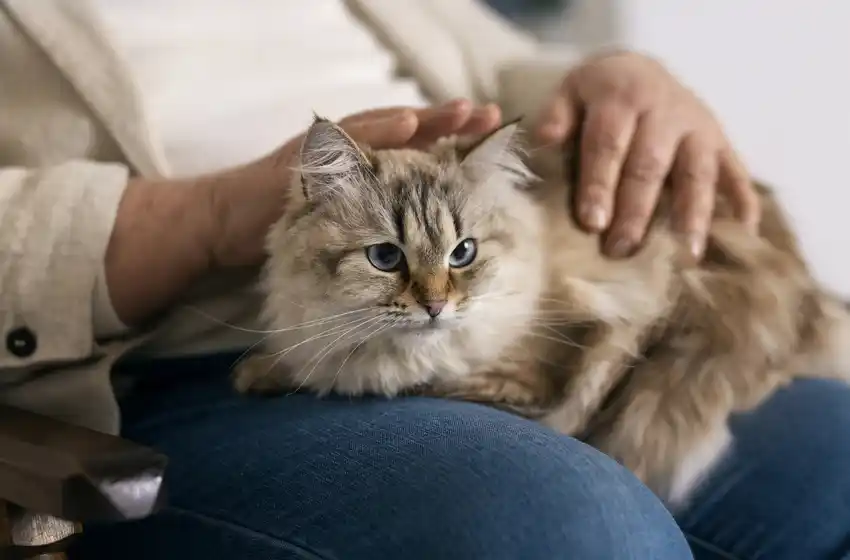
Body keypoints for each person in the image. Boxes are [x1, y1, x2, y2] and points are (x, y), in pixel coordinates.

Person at [0, 1, 847, 558]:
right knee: (573, 525)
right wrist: (204, 215)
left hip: (484, 287)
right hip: (198, 368)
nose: (432, 291)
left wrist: (614, 79)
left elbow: (504, 68)